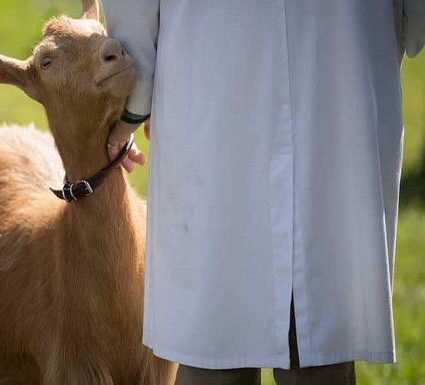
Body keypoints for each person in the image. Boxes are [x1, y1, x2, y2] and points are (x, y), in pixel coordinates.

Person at [101, 1, 425, 384]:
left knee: (217, 338)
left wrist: (132, 100)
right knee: (312, 339)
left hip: (208, 68)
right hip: (340, 62)